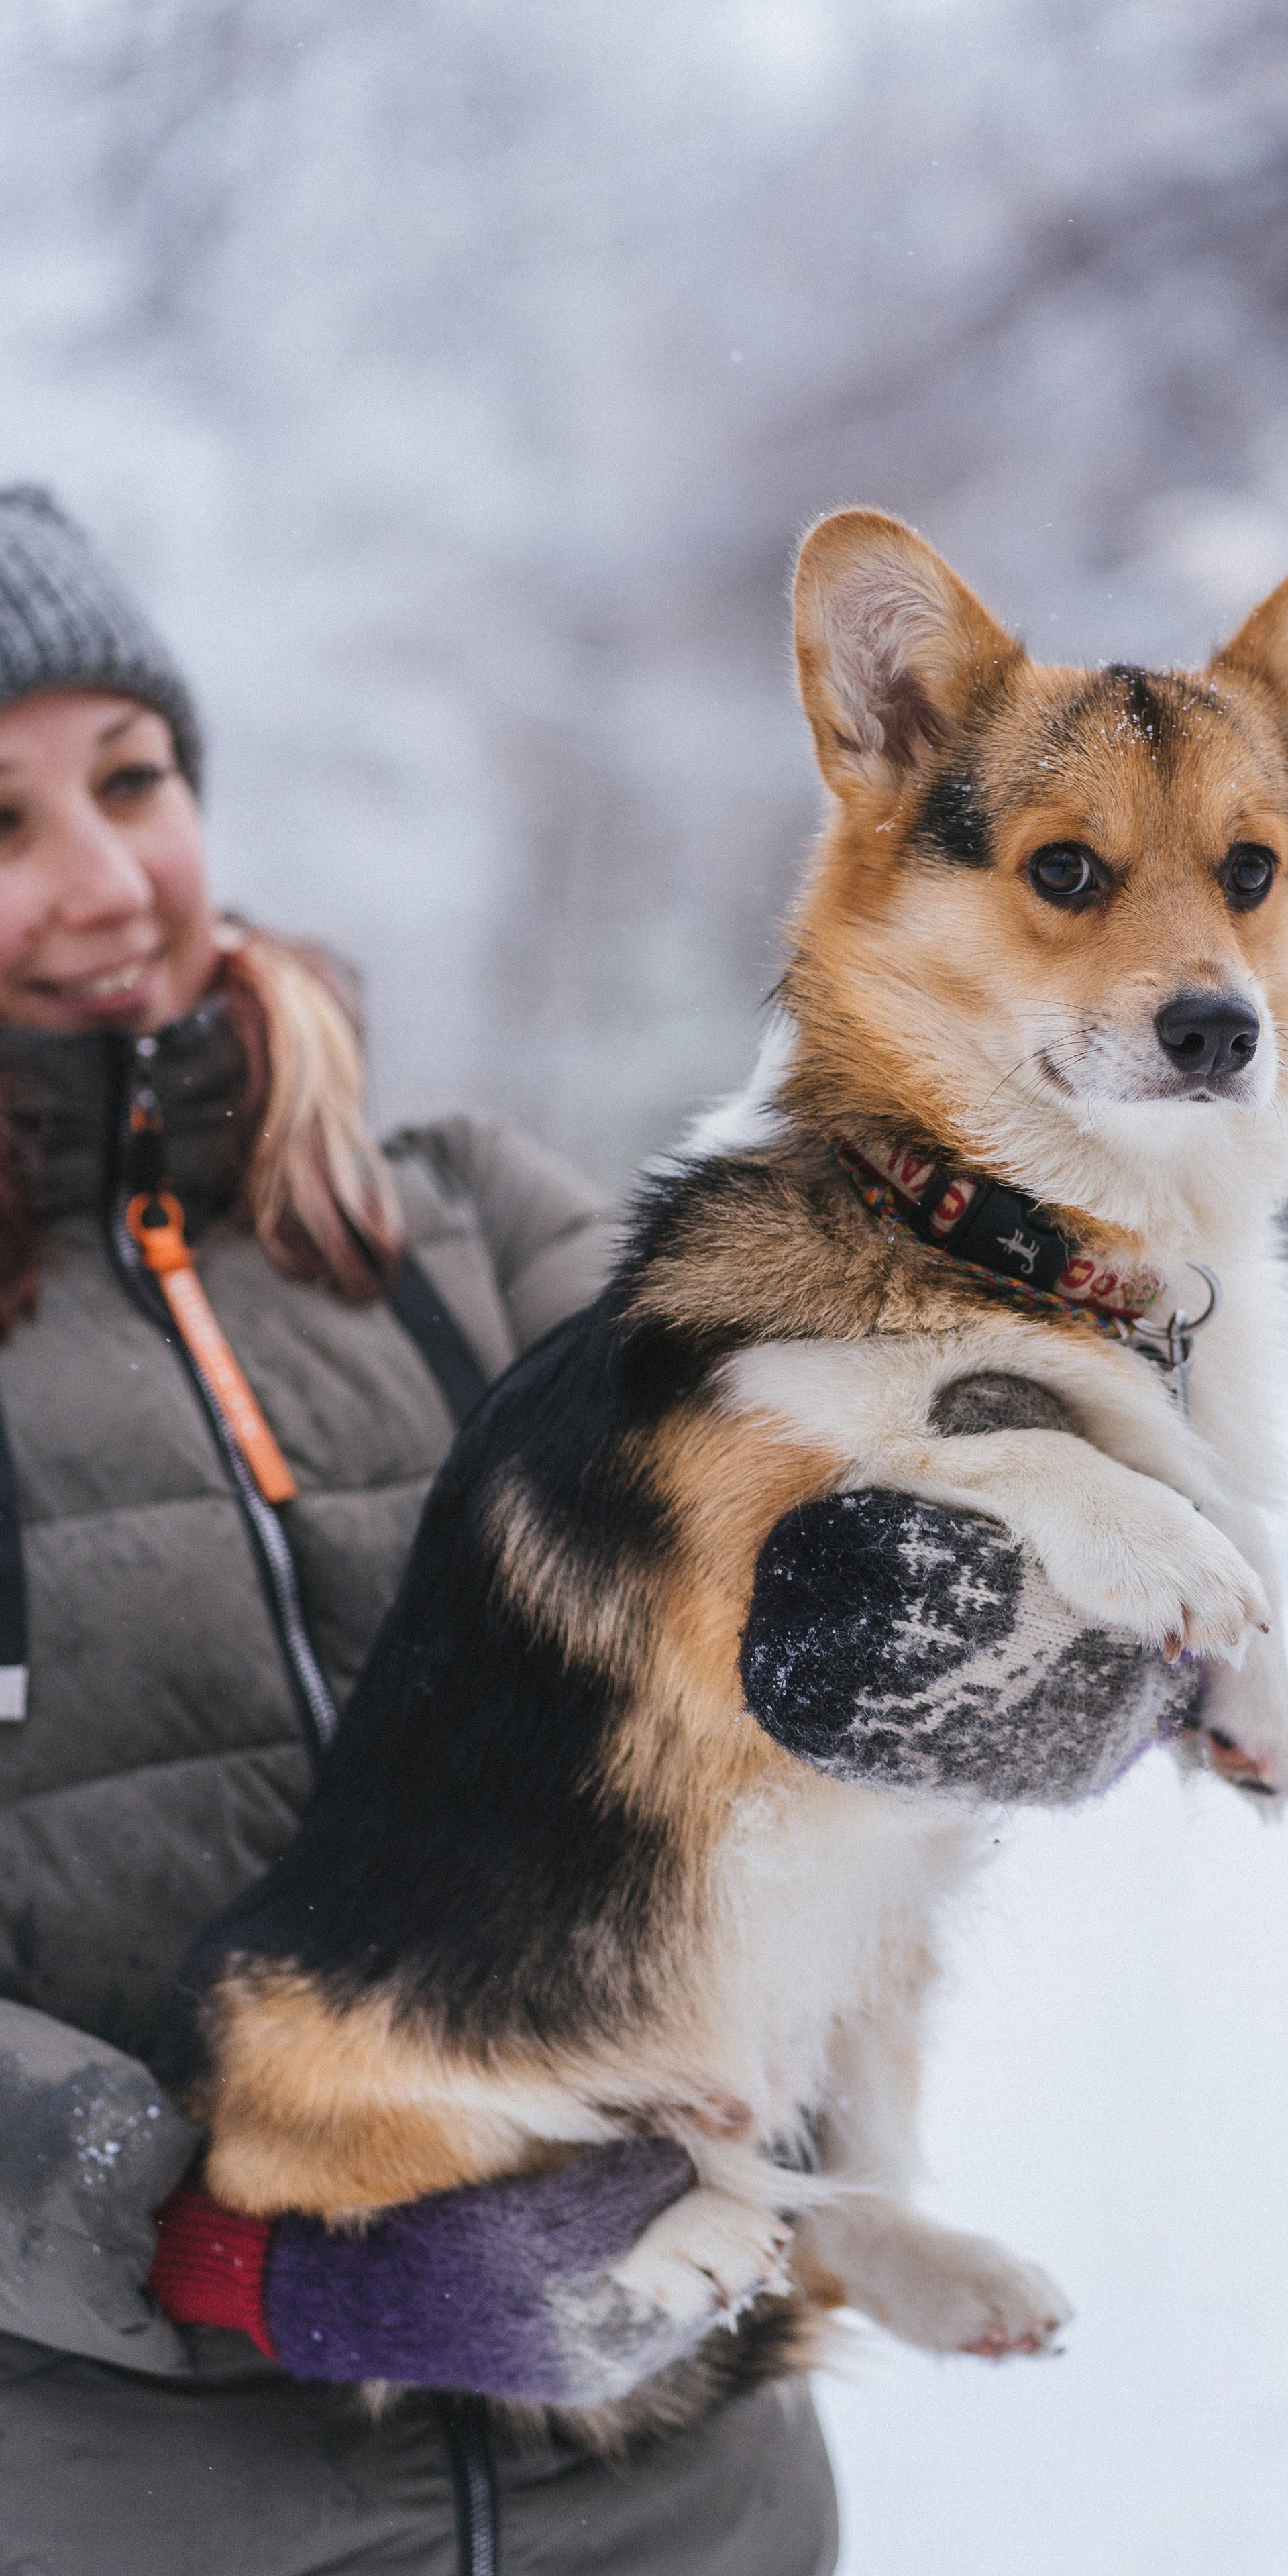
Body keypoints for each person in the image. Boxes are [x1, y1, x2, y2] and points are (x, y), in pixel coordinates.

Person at [0, 488, 1177, 2576]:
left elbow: (814, 1532)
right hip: (175, 2506)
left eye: (137, 778)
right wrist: (239, 2262)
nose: (105, 880)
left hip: (686, 2488)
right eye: (4, 826)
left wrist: (1012, 1648)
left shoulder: (468, 1223)